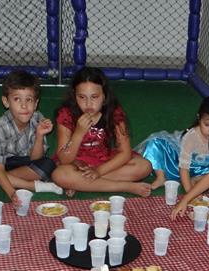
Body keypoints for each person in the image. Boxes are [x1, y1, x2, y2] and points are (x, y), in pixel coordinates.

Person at [51, 67, 153, 196]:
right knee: (60, 175)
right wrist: (78, 133)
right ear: (74, 95)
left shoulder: (113, 113)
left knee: (144, 166)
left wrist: (98, 171)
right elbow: (64, 159)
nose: (88, 104)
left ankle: (80, 183)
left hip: (104, 160)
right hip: (76, 163)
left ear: (104, 96)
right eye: (81, 97)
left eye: (94, 97)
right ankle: (125, 186)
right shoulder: (66, 114)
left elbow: (125, 153)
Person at [0, 69, 64, 204]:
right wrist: (12, 193)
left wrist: (39, 135)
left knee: (48, 165)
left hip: (24, 163)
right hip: (1, 163)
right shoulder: (1, 127)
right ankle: (33, 185)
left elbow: (36, 158)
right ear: (6, 102)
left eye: (29, 99)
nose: (24, 105)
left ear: (36, 103)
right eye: (17, 99)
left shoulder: (38, 119)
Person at [137, 95, 209, 191]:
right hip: (179, 165)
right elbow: (184, 167)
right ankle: (161, 177)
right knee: (154, 143)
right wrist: (189, 191)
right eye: (207, 125)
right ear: (199, 118)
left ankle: (198, 179)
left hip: (203, 169)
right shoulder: (191, 137)